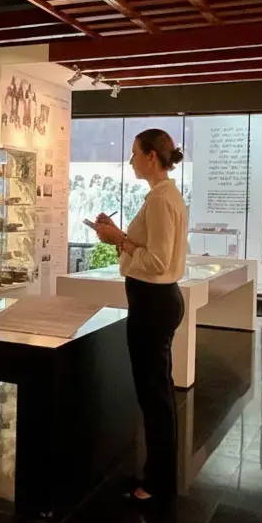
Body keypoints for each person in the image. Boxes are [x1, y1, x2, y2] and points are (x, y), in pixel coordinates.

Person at [93, 128, 187, 502]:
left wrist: (118, 239)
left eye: (134, 153)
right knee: (157, 390)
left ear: (151, 157)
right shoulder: (162, 196)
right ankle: (159, 475)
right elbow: (149, 251)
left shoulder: (162, 199)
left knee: (154, 394)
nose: (130, 160)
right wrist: (117, 236)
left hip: (153, 302)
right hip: (155, 301)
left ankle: (157, 482)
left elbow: (157, 261)